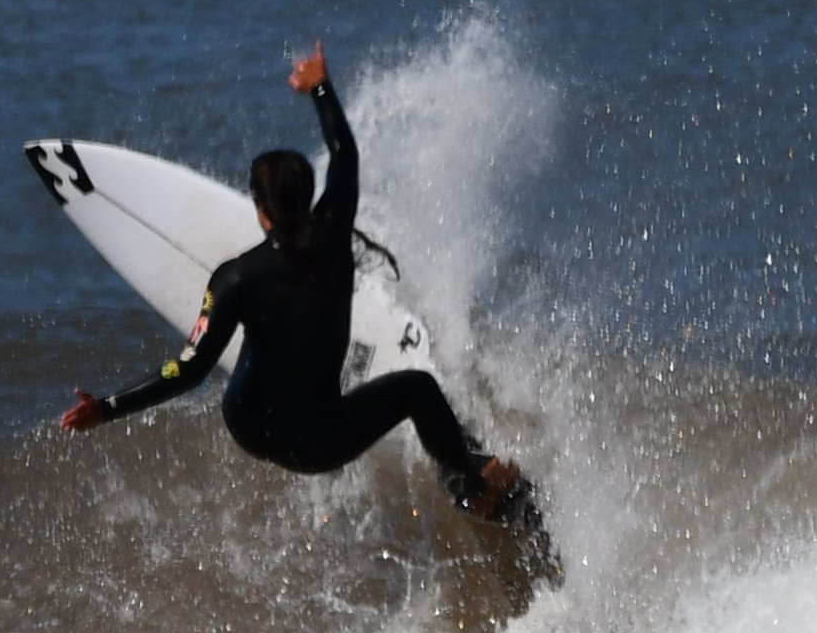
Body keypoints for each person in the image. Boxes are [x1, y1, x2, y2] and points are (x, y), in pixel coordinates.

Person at [55, 48, 544, 532]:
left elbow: (189, 369)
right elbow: (344, 152)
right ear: (309, 196)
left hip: (250, 428)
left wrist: (107, 408)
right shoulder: (336, 232)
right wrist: (320, 86)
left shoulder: (235, 278)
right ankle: (468, 484)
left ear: (259, 208)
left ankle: (460, 478)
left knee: (264, 341)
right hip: (322, 443)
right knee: (419, 389)